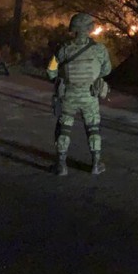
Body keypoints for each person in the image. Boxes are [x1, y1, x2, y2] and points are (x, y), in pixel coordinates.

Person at [47, 13, 112, 176]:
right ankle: (96, 164)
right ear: (89, 29)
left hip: (69, 95)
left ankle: (61, 166)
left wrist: (59, 77)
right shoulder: (100, 50)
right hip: (90, 96)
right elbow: (106, 70)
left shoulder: (63, 49)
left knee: (64, 129)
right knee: (93, 129)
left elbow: (51, 70)